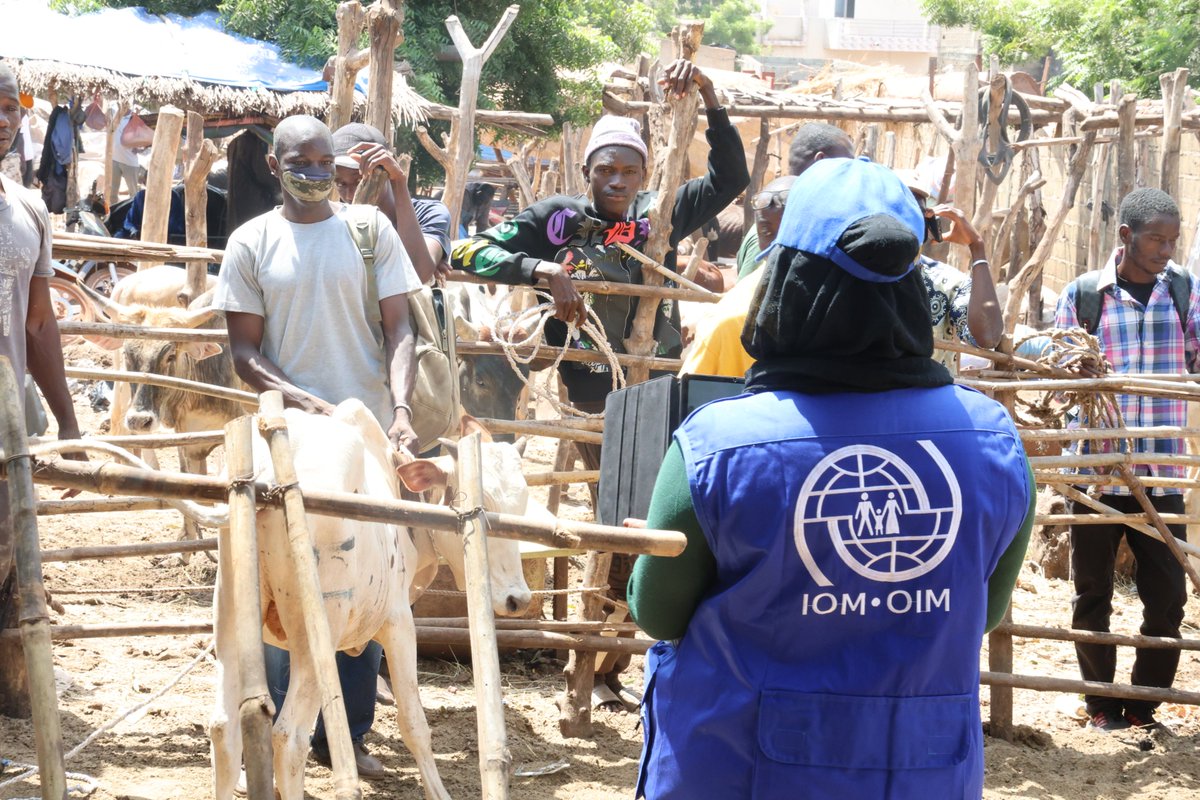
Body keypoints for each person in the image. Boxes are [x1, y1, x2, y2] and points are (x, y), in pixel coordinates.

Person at [629, 157, 1034, 799]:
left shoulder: (718, 444)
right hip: (920, 771)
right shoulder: (993, 442)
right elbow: (981, 615)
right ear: (909, 288)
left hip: (741, 771)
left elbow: (656, 610)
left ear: (786, 278)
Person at [451, 58, 748, 698]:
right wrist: (539, 269)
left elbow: (733, 177)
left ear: (644, 173)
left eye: (628, 170)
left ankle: (620, 658)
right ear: (585, 172)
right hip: (595, 388)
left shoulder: (659, 215)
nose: (617, 180)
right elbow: (465, 251)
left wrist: (710, 99)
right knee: (625, 516)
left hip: (664, 382)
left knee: (660, 516)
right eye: (605, 169)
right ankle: (601, 663)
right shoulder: (557, 219)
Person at [213, 114, 422, 778]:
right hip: (289, 440)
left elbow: (402, 332)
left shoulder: (369, 232)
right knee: (285, 581)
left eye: (323, 162)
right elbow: (245, 353)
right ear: (274, 168)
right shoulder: (252, 243)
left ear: (337, 164)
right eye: (299, 163)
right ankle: (281, 736)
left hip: (363, 440)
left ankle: (347, 738)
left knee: (363, 582)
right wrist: (307, 404)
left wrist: (400, 407)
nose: (314, 173)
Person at [1053, 187, 1193, 734]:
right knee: (1092, 594)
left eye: (1171, 240)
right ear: (1126, 236)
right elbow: (1062, 372)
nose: (1164, 249)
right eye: (1155, 238)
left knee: (1167, 599)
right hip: (1094, 471)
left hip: (1162, 469)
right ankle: (1100, 705)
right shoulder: (1084, 295)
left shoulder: (1183, 292)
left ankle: (1143, 705)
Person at [682, 162, 1003, 378]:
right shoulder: (830, 281)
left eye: (917, 206)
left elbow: (986, 335)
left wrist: (978, 250)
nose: (901, 216)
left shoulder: (943, 281)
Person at [0, 63, 83, 713]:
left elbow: (37, 324)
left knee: (6, 565)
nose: (4, 118)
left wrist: (70, 425)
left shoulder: (28, 208)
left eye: (11, 106)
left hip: (6, 422)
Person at [331, 122, 452, 285]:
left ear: (388, 169)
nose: (351, 194)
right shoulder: (334, 219)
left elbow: (416, 273)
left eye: (360, 180)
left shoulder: (429, 213)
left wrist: (399, 181)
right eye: (340, 184)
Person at [734, 122, 853, 282]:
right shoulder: (771, 230)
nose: (853, 174)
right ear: (821, 162)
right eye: (847, 165)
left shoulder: (780, 220)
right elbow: (748, 299)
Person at [111, 110, 142, 201]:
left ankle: (135, 213)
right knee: (112, 192)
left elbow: (142, 136)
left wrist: (140, 148)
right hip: (115, 159)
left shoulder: (133, 118)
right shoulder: (115, 117)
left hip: (129, 162)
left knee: (133, 193)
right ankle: (113, 213)